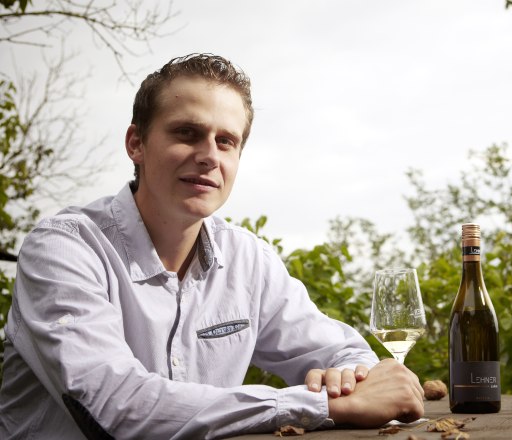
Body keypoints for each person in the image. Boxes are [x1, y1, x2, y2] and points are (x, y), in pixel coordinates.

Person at [0, 54, 425, 439]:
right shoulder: (64, 249)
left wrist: (356, 379)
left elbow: (340, 351)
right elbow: (116, 407)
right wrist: (322, 404)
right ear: (136, 144)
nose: (209, 155)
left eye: (226, 141)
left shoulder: (248, 262)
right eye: (187, 133)